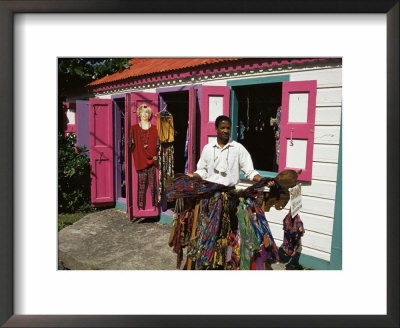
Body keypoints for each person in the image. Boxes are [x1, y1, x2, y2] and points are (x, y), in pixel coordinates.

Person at [188, 115, 273, 188]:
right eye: (222, 128)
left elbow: (249, 171)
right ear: (216, 129)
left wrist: (263, 180)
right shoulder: (208, 148)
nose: (225, 131)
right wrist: (193, 175)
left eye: (228, 128)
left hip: (231, 196)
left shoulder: (238, 148)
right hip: (210, 195)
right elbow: (202, 171)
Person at [130, 104, 158, 209]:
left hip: (152, 162)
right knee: (141, 186)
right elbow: (129, 145)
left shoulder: (155, 129)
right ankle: (140, 207)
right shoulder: (133, 129)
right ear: (139, 114)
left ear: (150, 114)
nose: (144, 114)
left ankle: (155, 206)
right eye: (142, 112)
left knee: (153, 185)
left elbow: (158, 145)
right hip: (140, 161)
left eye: (147, 112)